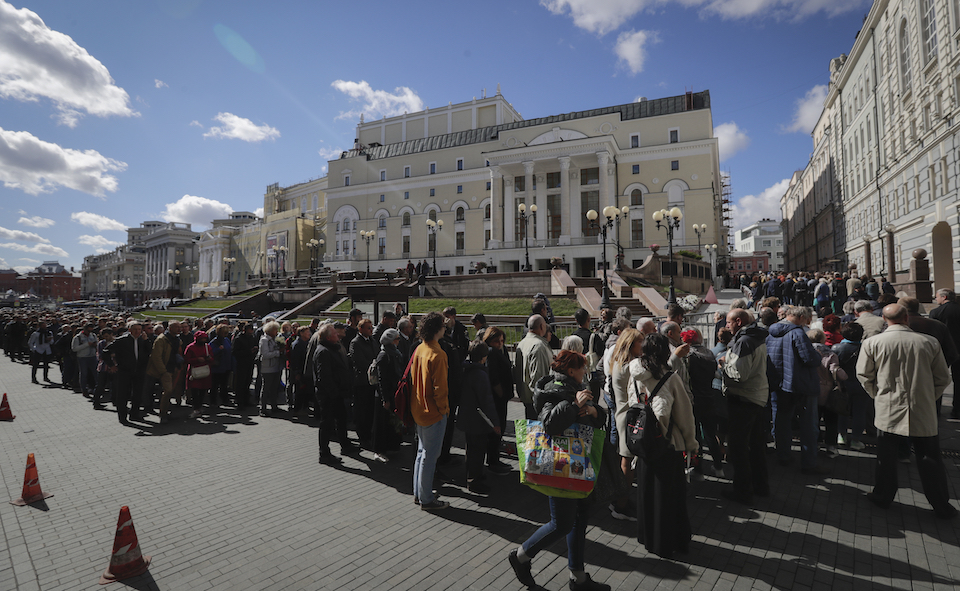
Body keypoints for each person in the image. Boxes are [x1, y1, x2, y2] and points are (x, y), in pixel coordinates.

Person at [508, 350, 610, 591]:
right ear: (571, 370)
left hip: (580, 464)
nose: (585, 371)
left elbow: (597, 417)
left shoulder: (578, 387)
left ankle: (578, 576)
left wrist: (595, 411)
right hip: (560, 464)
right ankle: (521, 556)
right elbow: (550, 424)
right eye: (582, 367)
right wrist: (575, 405)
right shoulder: (552, 391)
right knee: (562, 523)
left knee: (580, 519)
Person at [857, 304, 958, 520]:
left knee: (886, 456)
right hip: (922, 406)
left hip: (888, 407)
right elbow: (942, 378)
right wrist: (929, 397)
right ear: (906, 318)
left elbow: (864, 375)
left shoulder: (872, 343)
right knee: (929, 457)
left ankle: (883, 496)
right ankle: (941, 504)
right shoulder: (928, 342)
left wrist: (878, 395)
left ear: (885, 319)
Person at [629, 334, 697, 559]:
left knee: (647, 493)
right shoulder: (671, 378)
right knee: (669, 497)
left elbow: (634, 405)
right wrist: (691, 443)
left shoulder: (636, 375)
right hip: (667, 443)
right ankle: (669, 541)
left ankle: (648, 537)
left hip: (644, 444)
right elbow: (684, 415)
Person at [767, 306, 826, 474]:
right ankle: (809, 463)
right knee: (808, 425)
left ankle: (783, 455)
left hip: (779, 383)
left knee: (781, 420)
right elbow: (809, 358)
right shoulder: (797, 333)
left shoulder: (771, 332)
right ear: (800, 317)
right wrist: (817, 356)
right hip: (800, 384)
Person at [719, 309, 770, 503]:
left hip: (744, 399)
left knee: (738, 448)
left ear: (738, 322)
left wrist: (723, 365)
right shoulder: (754, 337)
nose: (726, 326)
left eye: (729, 322)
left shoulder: (744, 342)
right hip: (755, 397)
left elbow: (740, 375)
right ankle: (760, 486)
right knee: (756, 446)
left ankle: (742, 491)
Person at [410, 312, 450, 510]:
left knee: (421, 452)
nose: (445, 328)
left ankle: (420, 492)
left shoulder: (420, 349)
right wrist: (444, 410)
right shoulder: (438, 354)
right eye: (443, 325)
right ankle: (425, 498)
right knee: (429, 456)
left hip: (418, 408)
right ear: (437, 329)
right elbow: (440, 389)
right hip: (433, 411)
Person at [608, 328, 644, 521]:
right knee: (627, 462)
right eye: (641, 342)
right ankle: (621, 504)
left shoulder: (618, 362)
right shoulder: (630, 366)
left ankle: (621, 500)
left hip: (623, 415)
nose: (644, 346)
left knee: (626, 460)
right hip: (629, 417)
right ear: (631, 345)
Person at [457, 341, 500, 495]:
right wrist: (495, 423)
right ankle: (474, 480)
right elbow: (487, 401)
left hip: (467, 417)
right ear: (483, 357)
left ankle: (471, 475)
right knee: (478, 451)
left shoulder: (466, 369)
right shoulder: (480, 374)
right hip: (478, 421)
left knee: (471, 449)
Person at [313, 323, 352, 464]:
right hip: (329, 395)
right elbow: (324, 377)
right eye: (335, 334)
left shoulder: (332, 348)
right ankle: (324, 453)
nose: (338, 335)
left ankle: (345, 445)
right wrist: (334, 392)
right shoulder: (323, 351)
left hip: (337, 393)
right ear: (329, 337)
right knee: (327, 423)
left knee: (341, 419)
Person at [808, 328, 846, 459]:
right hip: (829, 391)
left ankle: (816, 443)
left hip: (812, 390)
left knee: (814, 419)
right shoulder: (830, 354)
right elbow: (837, 371)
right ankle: (831, 446)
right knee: (831, 420)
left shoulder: (806, 351)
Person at [833, 322, 870, 450]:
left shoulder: (837, 348)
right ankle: (856, 439)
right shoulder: (867, 348)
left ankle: (841, 435)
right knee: (860, 413)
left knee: (842, 410)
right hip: (861, 384)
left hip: (843, 385)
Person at [104, 321, 150, 424]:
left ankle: (135, 415)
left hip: (139, 371)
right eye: (135, 329)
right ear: (129, 330)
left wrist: (146, 341)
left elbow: (149, 352)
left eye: (139, 329)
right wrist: (111, 365)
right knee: (123, 395)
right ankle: (122, 417)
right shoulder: (122, 340)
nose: (137, 332)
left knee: (137, 394)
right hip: (125, 371)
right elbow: (105, 352)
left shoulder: (143, 340)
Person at [482, 327, 514, 475]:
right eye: (496, 341)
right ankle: (492, 461)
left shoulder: (501, 351)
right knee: (496, 428)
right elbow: (493, 377)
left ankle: (495, 458)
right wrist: (501, 394)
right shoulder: (491, 353)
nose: (500, 344)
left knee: (499, 427)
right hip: (497, 398)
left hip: (503, 396)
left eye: (501, 341)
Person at [372, 327, 404, 462]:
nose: (399, 341)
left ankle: (391, 446)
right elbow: (382, 379)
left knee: (391, 421)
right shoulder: (384, 355)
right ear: (391, 341)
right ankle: (379, 451)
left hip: (393, 392)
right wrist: (385, 399)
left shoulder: (395, 353)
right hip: (384, 395)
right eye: (397, 339)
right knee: (382, 423)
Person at [514, 315, 554, 420]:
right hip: (537, 401)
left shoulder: (522, 343)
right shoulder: (538, 346)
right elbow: (539, 378)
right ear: (541, 326)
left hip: (526, 397)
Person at [929, 288, 960, 419]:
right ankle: (957, 410)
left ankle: (936, 409)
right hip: (959, 348)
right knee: (958, 380)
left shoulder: (935, 312)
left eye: (937, 297)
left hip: (942, 349)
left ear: (944, 297)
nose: (936, 299)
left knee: (938, 379)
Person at [146, 321, 183, 422]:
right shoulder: (161, 339)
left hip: (174, 368)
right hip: (165, 369)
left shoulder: (177, 339)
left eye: (180, 327)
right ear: (170, 328)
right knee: (168, 390)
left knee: (170, 391)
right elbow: (156, 357)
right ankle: (163, 415)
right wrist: (163, 371)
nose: (179, 329)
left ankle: (165, 411)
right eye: (177, 327)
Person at [349, 318, 378, 443]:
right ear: (361, 329)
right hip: (361, 382)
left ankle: (369, 433)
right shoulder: (356, 343)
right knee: (362, 410)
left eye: (372, 328)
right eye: (368, 328)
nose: (371, 330)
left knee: (371, 409)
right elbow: (359, 362)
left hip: (372, 382)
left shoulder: (372, 340)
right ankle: (363, 435)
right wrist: (373, 366)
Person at [185, 330, 214, 418]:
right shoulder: (190, 347)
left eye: (205, 339)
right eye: (202, 339)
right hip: (194, 371)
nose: (203, 340)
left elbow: (212, 358)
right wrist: (196, 359)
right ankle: (196, 408)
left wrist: (209, 358)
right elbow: (186, 360)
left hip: (205, 372)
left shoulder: (207, 347)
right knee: (194, 391)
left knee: (203, 390)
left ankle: (199, 407)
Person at [257, 321, 283, 417]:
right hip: (267, 367)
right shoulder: (264, 340)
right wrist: (278, 352)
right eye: (275, 330)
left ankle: (274, 406)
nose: (277, 332)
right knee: (266, 388)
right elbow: (265, 354)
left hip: (275, 367)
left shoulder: (275, 339)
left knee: (274, 388)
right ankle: (262, 408)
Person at [209, 324, 233, 407]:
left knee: (224, 384)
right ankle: (213, 401)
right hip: (217, 366)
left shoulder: (226, 340)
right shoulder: (214, 341)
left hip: (226, 365)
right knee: (214, 385)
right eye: (224, 332)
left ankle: (224, 399)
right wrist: (219, 349)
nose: (226, 334)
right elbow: (210, 352)